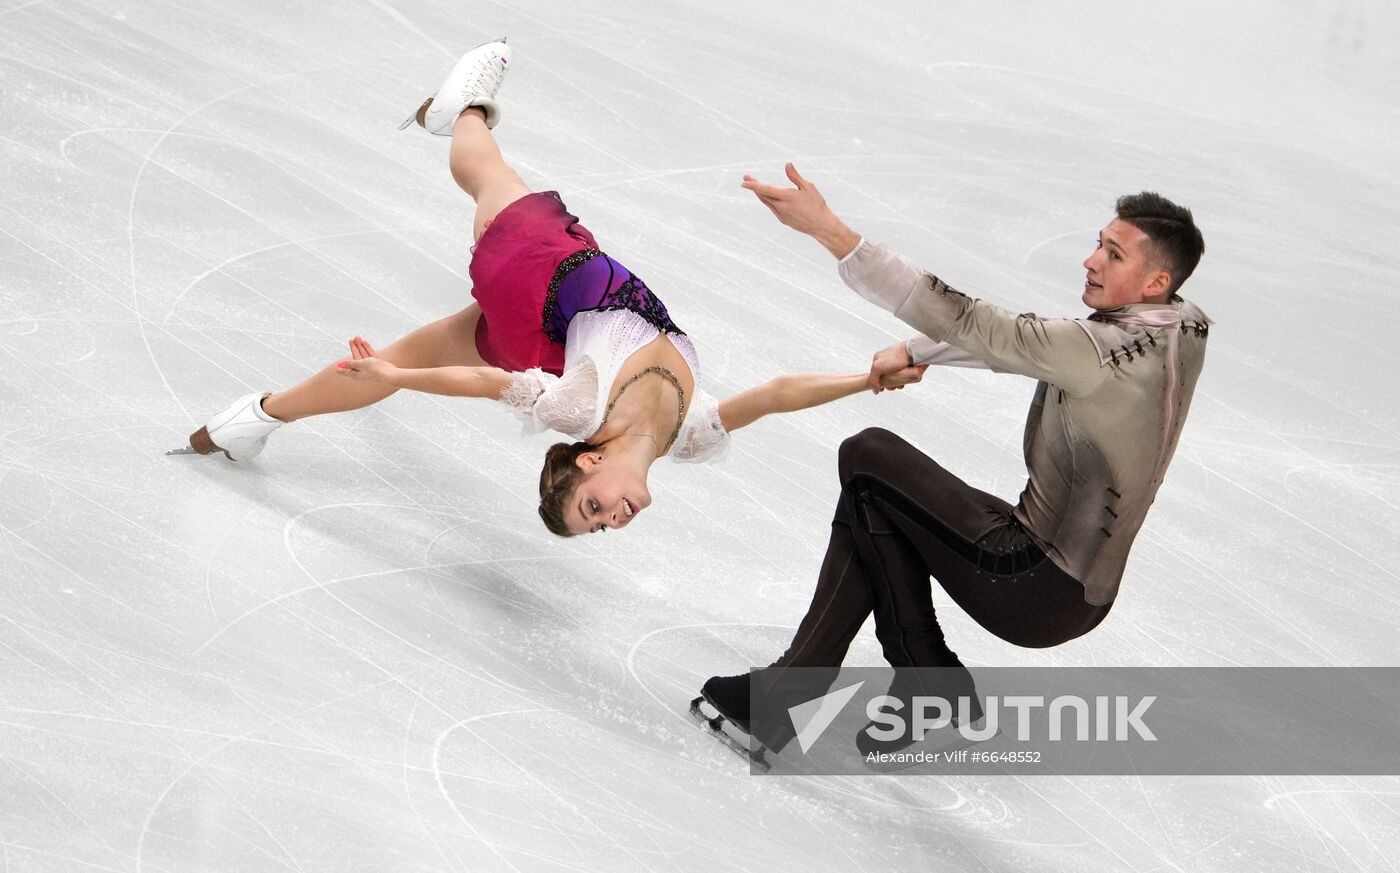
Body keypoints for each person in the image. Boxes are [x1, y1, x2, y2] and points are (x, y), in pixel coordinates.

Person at [168, 43, 927, 537]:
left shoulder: (579, 412)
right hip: (549, 321)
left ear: (587, 464)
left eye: (591, 509)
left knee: (488, 176)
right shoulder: (689, 437)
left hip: (541, 277)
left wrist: (398, 376)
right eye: (602, 526)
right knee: (434, 296)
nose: (613, 519)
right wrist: (864, 378)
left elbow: (484, 384)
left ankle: (463, 111)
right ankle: (251, 417)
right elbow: (778, 394)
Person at [697, 163, 1210, 756]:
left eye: (1114, 255)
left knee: (869, 456)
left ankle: (853, 682)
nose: (1091, 260)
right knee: (881, 501)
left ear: (1155, 281)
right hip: (1079, 593)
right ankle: (900, 682)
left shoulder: (1099, 350)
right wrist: (920, 351)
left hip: (1031, 581)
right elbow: (1033, 347)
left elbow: (979, 322)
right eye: (1099, 243)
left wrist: (829, 231)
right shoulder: (1185, 325)